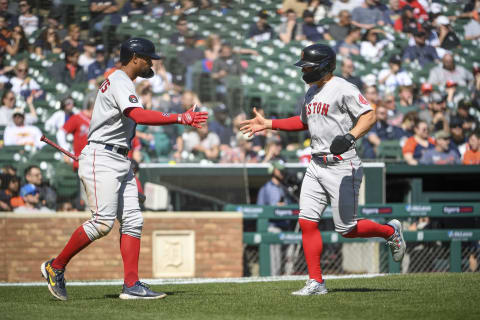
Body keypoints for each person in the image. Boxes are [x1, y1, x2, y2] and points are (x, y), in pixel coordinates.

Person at [40, 37, 208, 301]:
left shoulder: (123, 82)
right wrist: (180, 117)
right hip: (103, 156)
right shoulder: (119, 80)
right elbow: (139, 116)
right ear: (135, 58)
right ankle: (56, 266)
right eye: (148, 58)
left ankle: (131, 285)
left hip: (119, 158)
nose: (152, 62)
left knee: (133, 220)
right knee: (102, 223)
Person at [240, 43, 405, 295]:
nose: (304, 70)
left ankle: (390, 231)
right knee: (307, 222)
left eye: (308, 66)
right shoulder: (311, 91)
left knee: (347, 229)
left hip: (342, 164)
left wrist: (350, 136)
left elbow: (369, 115)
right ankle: (316, 282)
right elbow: (303, 121)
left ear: (325, 66)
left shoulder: (343, 88)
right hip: (316, 164)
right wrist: (269, 123)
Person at [256, 161, 293, 276]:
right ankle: (274, 278)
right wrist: (275, 206)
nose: (282, 173)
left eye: (282, 170)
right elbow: (260, 209)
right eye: (279, 170)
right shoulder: (266, 188)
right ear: (273, 171)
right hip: (273, 227)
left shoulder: (285, 188)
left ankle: (289, 278)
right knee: (275, 261)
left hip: (287, 226)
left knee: (290, 258)